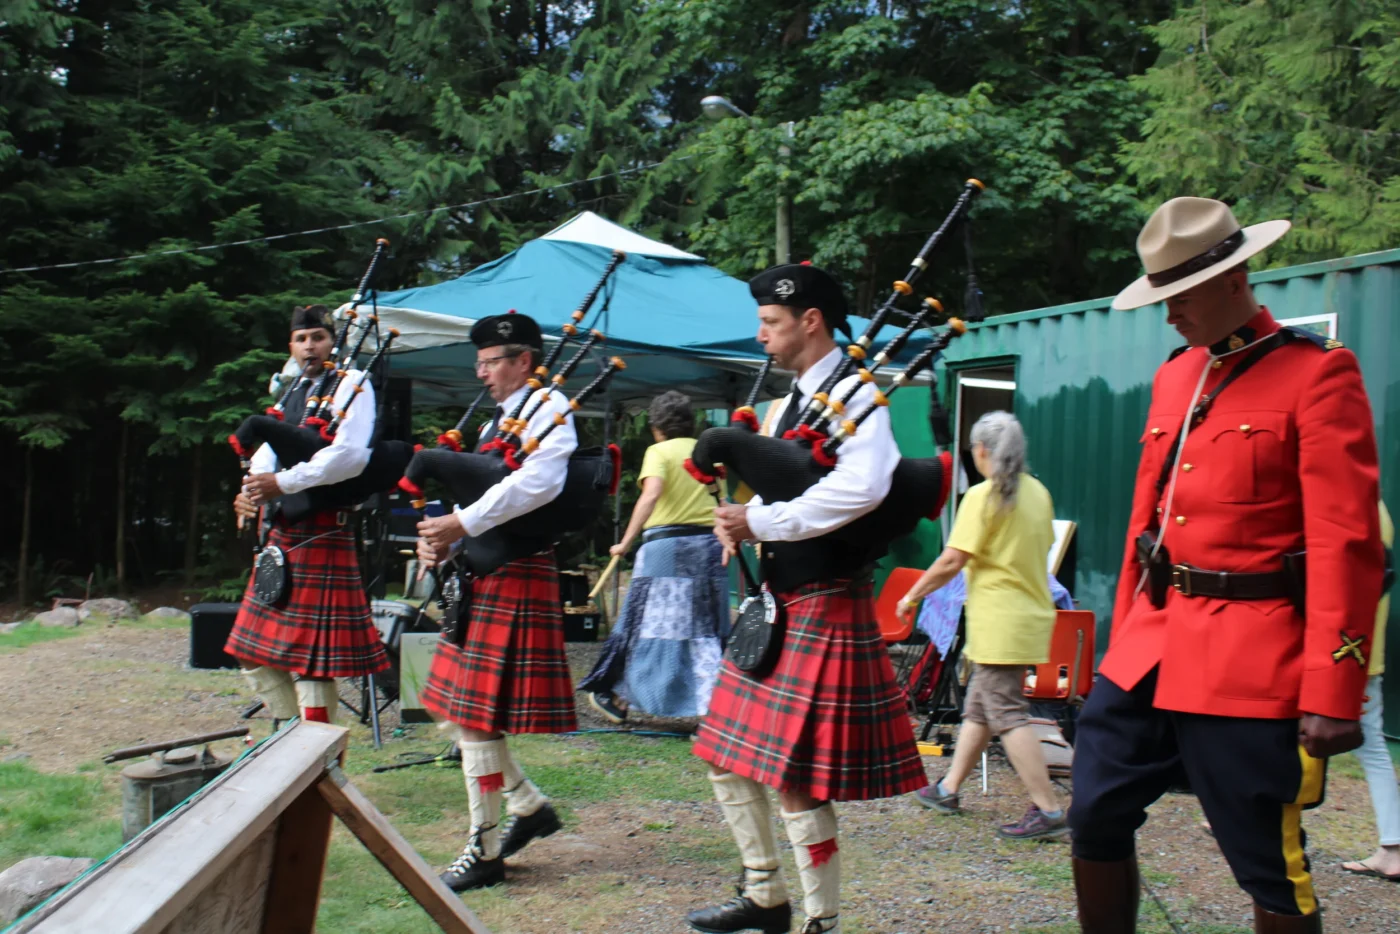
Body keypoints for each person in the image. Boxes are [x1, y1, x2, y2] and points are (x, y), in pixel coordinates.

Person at [1069, 197, 1384, 934]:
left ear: (1232, 278)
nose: (1169, 313)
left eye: (1177, 295)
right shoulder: (1176, 375)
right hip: (1151, 646)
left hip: (1251, 657)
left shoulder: (1318, 375)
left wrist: (1334, 688)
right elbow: (1144, 526)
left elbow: (1348, 545)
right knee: (1093, 809)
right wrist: (1122, 636)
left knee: (1266, 860)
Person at [686, 264, 926, 934]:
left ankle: (822, 921)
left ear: (809, 320)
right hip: (781, 596)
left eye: (771, 322)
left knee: (795, 779)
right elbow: (791, 478)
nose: (761, 334)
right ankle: (765, 896)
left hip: (822, 597)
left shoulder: (856, 395)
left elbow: (866, 486)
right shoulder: (790, 401)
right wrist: (743, 518)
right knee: (722, 755)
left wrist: (763, 523)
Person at [414, 311, 577, 892]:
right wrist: (441, 533)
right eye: (478, 362)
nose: (481, 373)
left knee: (476, 721)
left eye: (490, 362)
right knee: (451, 707)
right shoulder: (500, 422)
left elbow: (537, 485)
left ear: (524, 361)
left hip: (516, 574)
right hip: (482, 575)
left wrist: (461, 521)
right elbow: (476, 488)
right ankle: (528, 807)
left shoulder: (553, 411)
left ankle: (484, 850)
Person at [896, 411, 1065, 839]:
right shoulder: (1039, 493)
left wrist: (912, 594)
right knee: (980, 705)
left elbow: (953, 559)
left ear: (982, 451)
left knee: (1006, 712)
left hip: (998, 622)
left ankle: (1048, 810)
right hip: (1030, 614)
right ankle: (948, 788)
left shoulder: (983, 496)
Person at [229, 304, 390, 726]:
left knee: (314, 666)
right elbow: (266, 453)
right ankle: (289, 735)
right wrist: (252, 490)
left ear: (331, 341)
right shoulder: (291, 391)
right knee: (249, 652)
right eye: (302, 340)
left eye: (317, 337)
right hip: (281, 537)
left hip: (323, 534)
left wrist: (282, 484)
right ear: (291, 346)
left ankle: (317, 766)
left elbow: (351, 455)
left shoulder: (351, 383)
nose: (310, 346)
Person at [578, 390, 730, 723]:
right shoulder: (709, 453)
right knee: (706, 629)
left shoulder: (658, 451)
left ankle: (618, 697)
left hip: (666, 549)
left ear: (656, 426)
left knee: (648, 626)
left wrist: (625, 541)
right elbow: (722, 502)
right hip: (711, 548)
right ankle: (716, 709)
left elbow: (651, 495)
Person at [1341, 500, 1400, 882]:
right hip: (1358, 651)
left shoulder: (1355, 508)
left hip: (1346, 654)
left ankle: (1394, 848)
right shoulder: (1372, 508)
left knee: (1370, 745)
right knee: (1372, 745)